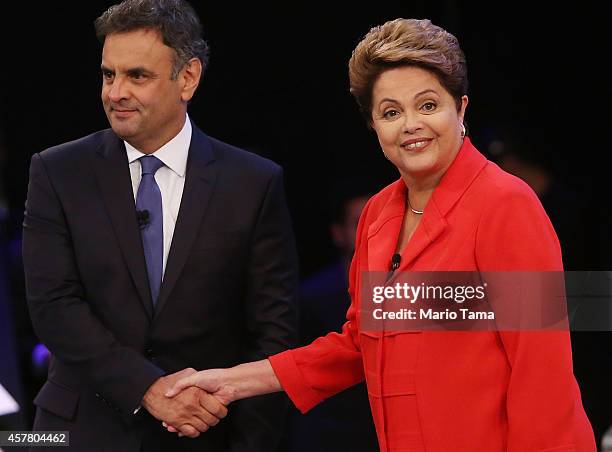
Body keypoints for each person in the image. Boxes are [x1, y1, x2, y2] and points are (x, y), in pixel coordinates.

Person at [165, 18, 596, 451]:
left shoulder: (505, 203)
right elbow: (359, 345)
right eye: (391, 112)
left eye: (428, 105)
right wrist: (232, 382)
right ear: (374, 126)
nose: (411, 124)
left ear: (460, 108)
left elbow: (541, 372)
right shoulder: (378, 214)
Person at [22, 0, 298, 451]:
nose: (115, 93)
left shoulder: (253, 182)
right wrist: (149, 390)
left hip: (205, 434)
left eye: (137, 76)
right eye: (109, 75)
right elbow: (53, 306)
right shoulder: (57, 171)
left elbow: (273, 332)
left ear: (187, 78)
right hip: (78, 432)